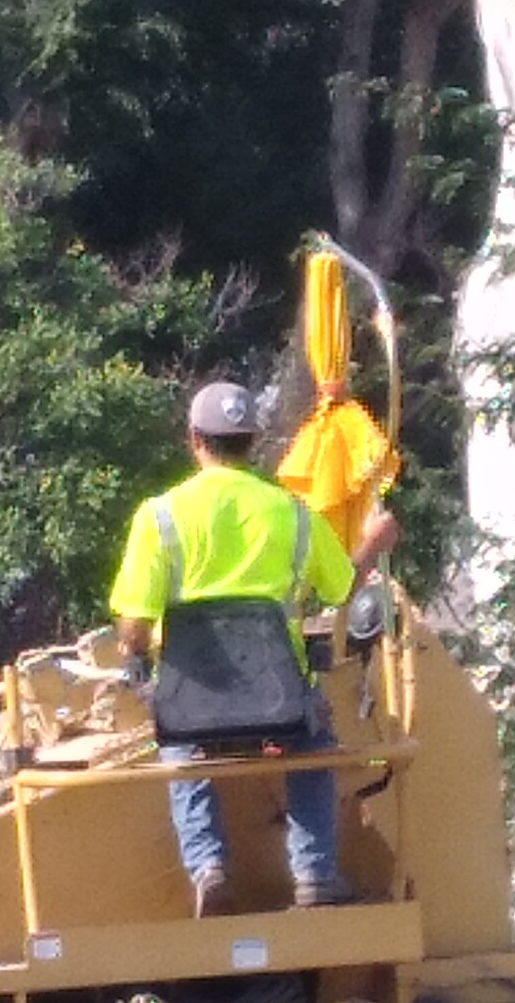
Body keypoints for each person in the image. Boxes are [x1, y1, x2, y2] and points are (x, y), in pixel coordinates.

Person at [110, 380, 399, 917]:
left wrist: (140, 666)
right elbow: (341, 590)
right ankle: (315, 876)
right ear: (253, 442)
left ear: (195, 440)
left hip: (194, 704)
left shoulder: (160, 516)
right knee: (314, 745)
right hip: (278, 700)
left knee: (179, 748)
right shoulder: (293, 513)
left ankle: (208, 868)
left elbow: (133, 628)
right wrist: (373, 542)